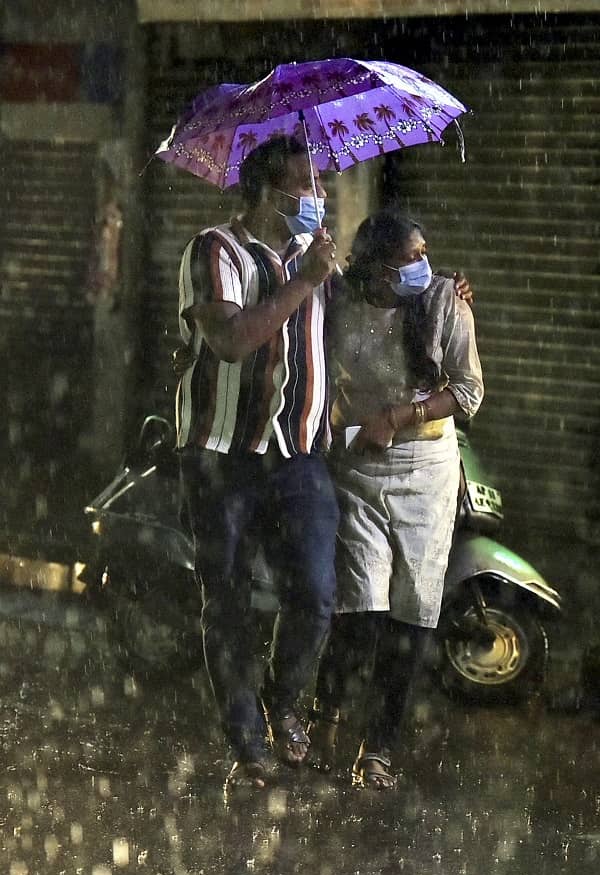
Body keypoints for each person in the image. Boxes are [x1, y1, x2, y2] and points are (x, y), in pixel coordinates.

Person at [176, 136, 340, 788]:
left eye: (319, 183)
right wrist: (304, 282)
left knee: (318, 593)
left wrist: (446, 294)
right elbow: (234, 340)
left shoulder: (315, 258)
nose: (318, 196)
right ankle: (247, 737)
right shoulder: (215, 250)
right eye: (305, 184)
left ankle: (283, 696)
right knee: (229, 602)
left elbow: (363, 319)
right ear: (269, 193)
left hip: (297, 454)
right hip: (223, 456)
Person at [308, 210, 484, 789]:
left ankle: (377, 749)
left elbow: (467, 389)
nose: (423, 266)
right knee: (359, 608)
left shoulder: (442, 303)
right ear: (378, 268)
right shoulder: (335, 301)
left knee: (412, 616)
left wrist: (400, 415)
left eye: (425, 253)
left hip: (426, 471)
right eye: (411, 257)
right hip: (357, 465)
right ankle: (323, 720)